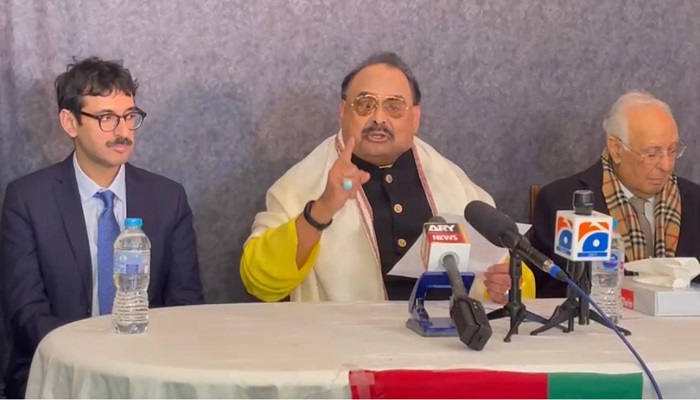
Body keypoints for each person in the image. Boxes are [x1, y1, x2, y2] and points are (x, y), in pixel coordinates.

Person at [240, 51, 535, 303]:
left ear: (415, 117)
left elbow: (517, 276)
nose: (379, 119)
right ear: (343, 112)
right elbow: (259, 282)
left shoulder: (452, 182)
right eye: (365, 105)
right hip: (342, 353)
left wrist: (508, 286)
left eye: (394, 106)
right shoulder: (300, 185)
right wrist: (322, 209)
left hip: (448, 350)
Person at [1, 57, 204, 398]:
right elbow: (26, 315)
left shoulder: (168, 198)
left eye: (129, 117)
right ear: (70, 122)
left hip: (148, 373)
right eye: (107, 118)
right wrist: (99, 354)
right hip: (61, 372)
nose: (123, 132)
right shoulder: (28, 199)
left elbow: (185, 305)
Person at [530, 91, 700, 298]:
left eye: (672, 151)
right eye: (652, 153)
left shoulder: (695, 202)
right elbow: (544, 290)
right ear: (616, 149)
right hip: (601, 326)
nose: (666, 165)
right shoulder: (560, 201)